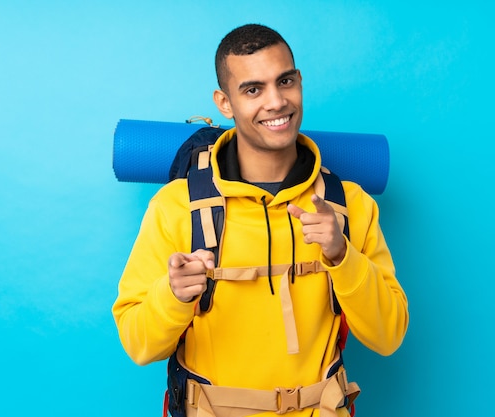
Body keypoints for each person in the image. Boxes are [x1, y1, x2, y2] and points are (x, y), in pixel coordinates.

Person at [112, 24, 408, 417]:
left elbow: (389, 337)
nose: (276, 102)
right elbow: (139, 345)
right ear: (224, 103)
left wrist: (341, 255)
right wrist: (173, 294)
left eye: (285, 81)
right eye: (253, 89)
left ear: (299, 81)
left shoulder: (349, 205)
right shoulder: (176, 207)